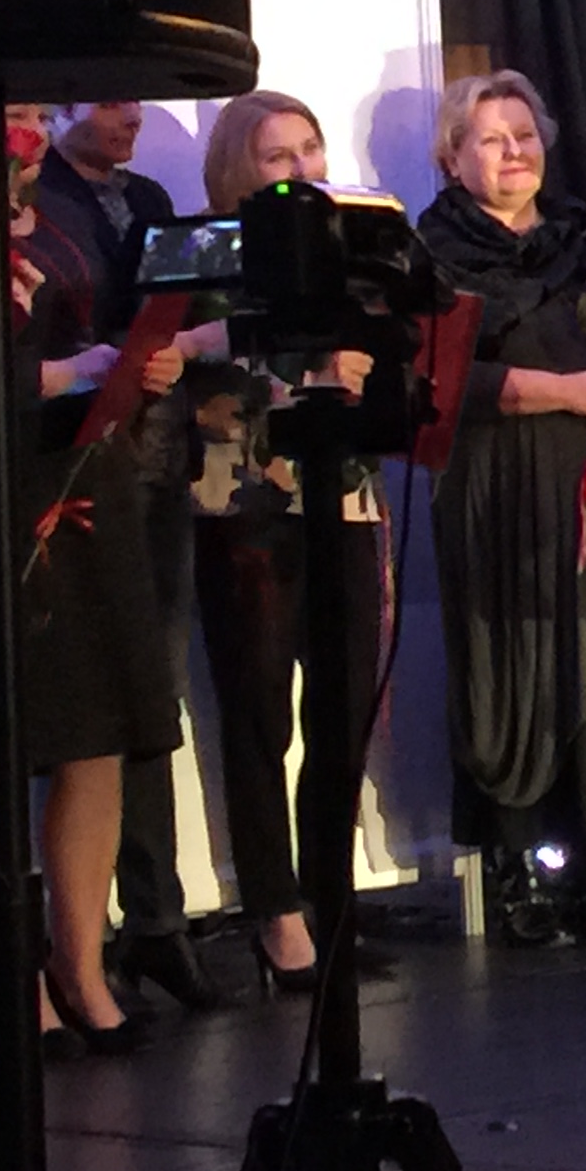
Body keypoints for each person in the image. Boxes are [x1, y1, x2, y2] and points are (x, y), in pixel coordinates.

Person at [0, 111, 189, 1057]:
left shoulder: (60, 216)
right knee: (9, 738)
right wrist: (68, 371)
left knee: (98, 731)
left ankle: (82, 964)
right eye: (8, 112)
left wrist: (142, 361)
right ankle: (14, 973)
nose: (18, 127)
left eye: (29, 112)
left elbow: (98, 333)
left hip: (88, 474)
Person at [418, 69, 586, 943]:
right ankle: (517, 871)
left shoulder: (585, 242)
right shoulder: (432, 253)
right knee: (513, 662)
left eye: (524, 136)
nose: (514, 152)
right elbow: (442, 381)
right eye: (492, 140)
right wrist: (565, 391)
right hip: (497, 483)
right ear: (453, 158)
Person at [188, 90, 389, 994]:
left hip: (342, 495)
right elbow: (199, 368)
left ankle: (332, 898)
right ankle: (275, 912)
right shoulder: (210, 252)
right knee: (259, 713)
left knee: (343, 710)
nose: (303, 168)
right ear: (239, 167)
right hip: (245, 499)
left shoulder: (348, 252)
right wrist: (305, 375)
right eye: (279, 156)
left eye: (311, 148)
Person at [39, 100, 223, 1015]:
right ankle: (79, 941)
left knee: (153, 701)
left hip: (153, 465)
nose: (129, 118)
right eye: (106, 100)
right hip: (69, 471)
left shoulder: (148, 198)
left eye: (133, 101)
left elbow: (185, 312)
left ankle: (157, 919)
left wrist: (181, 346)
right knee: (82, 714)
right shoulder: (29, 198)